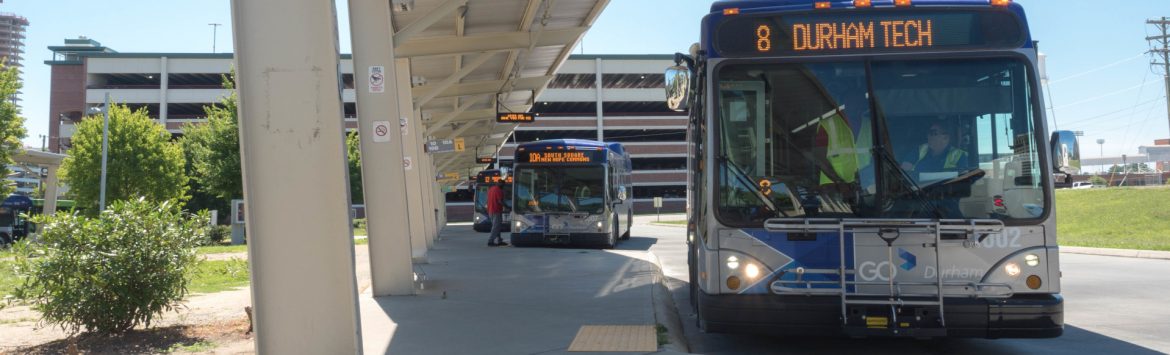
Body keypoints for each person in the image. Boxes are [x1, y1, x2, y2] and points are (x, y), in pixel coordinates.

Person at [901, 120, 969, 177]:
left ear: (945, 138)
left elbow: (964, 180)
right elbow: (904, 174)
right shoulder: (918, 150)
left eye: (933, 133)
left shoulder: (959, 156)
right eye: (928, 133)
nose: (928, 136)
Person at [486, 182, 509, 247]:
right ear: (502, 185)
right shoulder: (499, 190)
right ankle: (490, 241)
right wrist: (508, 207)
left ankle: (499, 240)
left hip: (490, 210)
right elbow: (500, 201)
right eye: (504, 186)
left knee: (496, 226)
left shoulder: (491, 189)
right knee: (496, 226)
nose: (504, 188)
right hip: (496, 210)